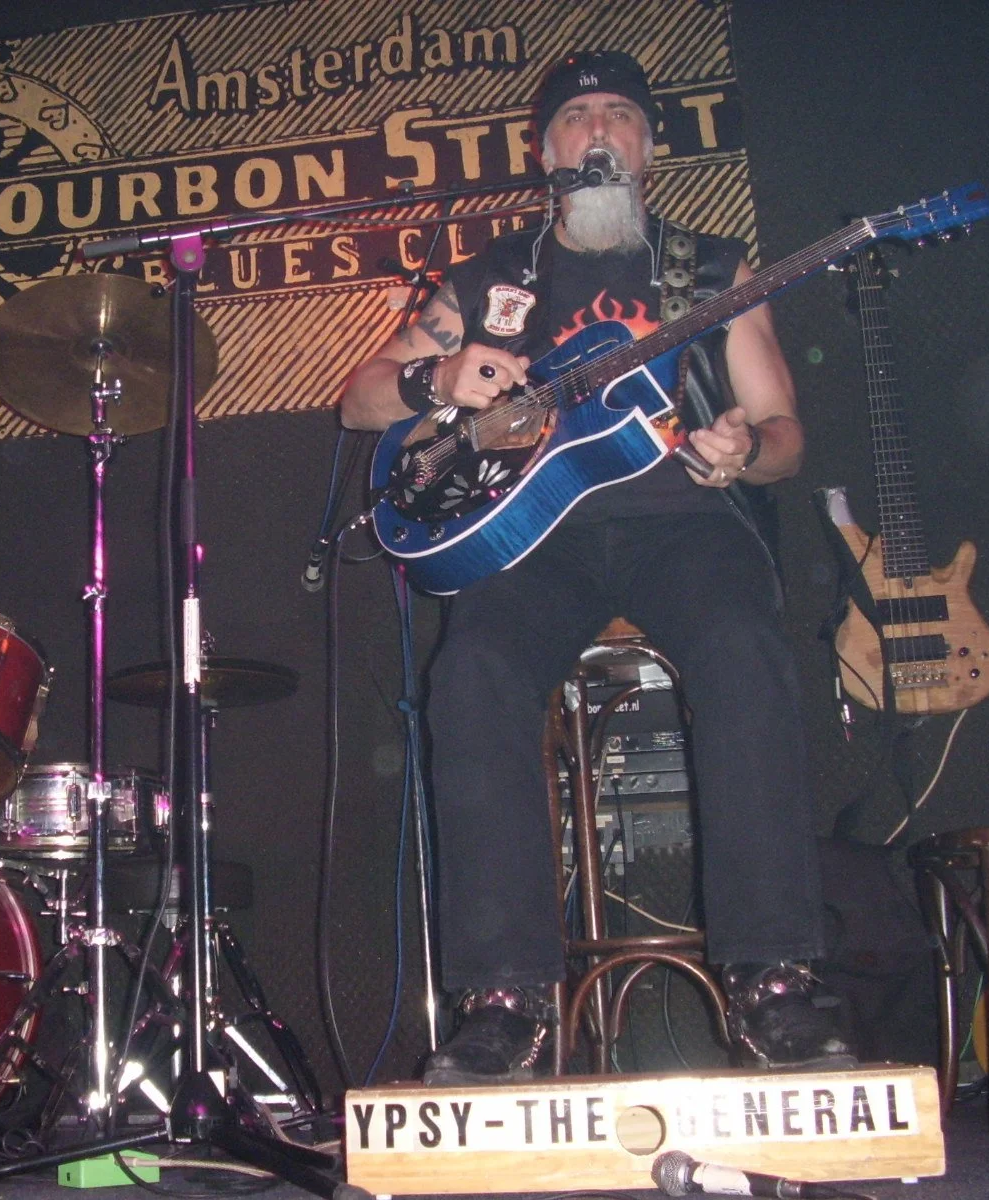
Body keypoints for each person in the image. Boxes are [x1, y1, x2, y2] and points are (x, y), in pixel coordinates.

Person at [340, 50, 852, 1082]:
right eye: (579, 117)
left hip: (685, 524)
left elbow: (786, 431)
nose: (601, 130)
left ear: (651, 149)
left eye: (622, 114)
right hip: (536, 539)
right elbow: (357, 400)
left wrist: (745, 450)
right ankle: (500, 996)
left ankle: (774, 977)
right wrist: (440, 374)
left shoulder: (712, 269)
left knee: (745, 648)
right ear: (546, 152)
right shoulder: (489, 277)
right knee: (471, 672)